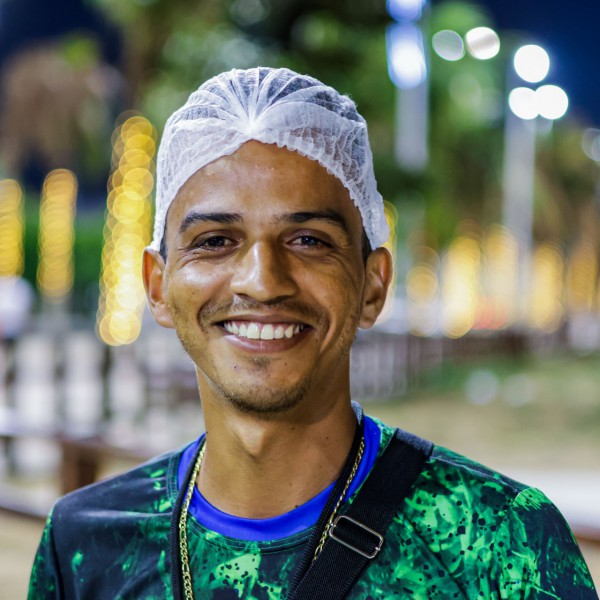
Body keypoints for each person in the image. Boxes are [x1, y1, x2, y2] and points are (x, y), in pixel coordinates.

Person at [29, 67, 597, 599]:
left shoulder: (503, 545)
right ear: (157, 286)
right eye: (215, 240)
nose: (261, 281)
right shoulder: (82, 549)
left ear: (373, 284)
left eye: (309, 241)